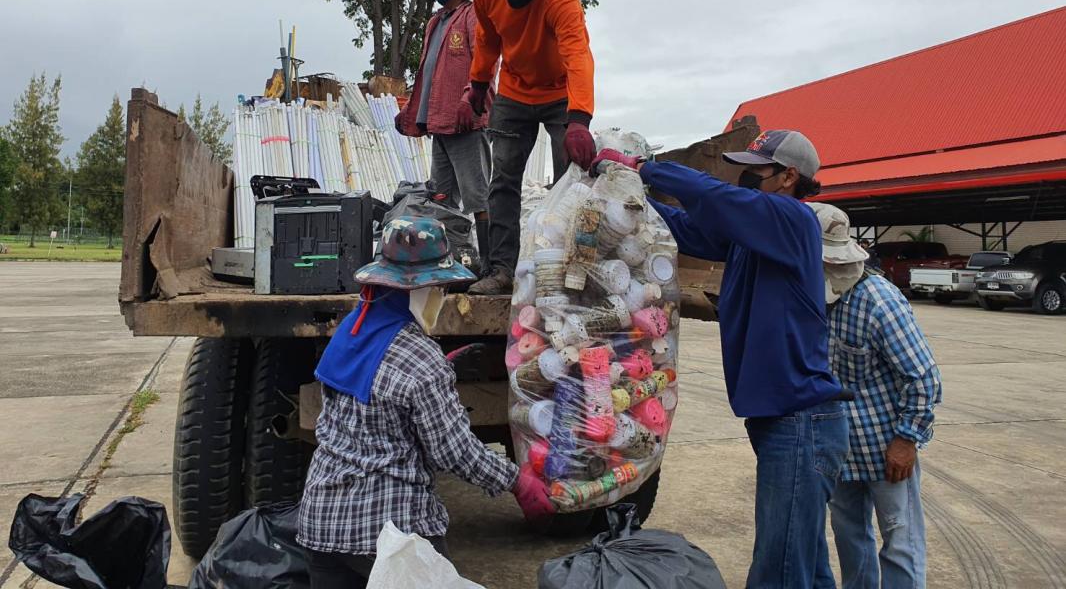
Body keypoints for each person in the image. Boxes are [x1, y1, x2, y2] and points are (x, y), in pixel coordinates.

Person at [594, 129, 850, 589]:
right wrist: (628, 198)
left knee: (780, 571)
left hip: (801, 423)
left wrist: (642, 167)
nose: (748, 179)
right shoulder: (754, 237)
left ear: (789, 176)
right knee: (805, 562)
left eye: (759, 171)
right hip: (783, 421)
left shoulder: (792, 220)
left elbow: (715, 197)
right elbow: (690, 227)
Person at [297, 216, 552, 588]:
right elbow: (453, 451)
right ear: (420, 289)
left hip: (321, 525)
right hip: (390, 536)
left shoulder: (350, 331)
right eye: (440, 288)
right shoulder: (421, 357)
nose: (442, 297)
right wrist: (516, 481)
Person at [811, 202, 943, 589]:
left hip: (888, 451)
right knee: (851, 536)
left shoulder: (878, 301)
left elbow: (922, 377)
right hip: (840, 449)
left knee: (900, 542)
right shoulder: (818, 302)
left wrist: (907, 440)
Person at [465, 0, 597, 296]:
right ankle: (501, 270)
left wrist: (579, 120)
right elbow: (488, 38)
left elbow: (578, 55)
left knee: (569, 185)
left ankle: (566, 273)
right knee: (502, 180)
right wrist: (478, 82)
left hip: (559, 94)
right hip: (514, 91)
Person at [395, 0, 492, 264]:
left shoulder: (473, 14)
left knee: (478, 197)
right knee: (441, 196)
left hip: (466, 121)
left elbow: (486, 62)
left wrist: (471, 101)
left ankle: (492, 264)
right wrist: (412, 112)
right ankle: (453, 257)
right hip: (439, 123)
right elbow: (427, 75)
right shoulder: (435, 23)